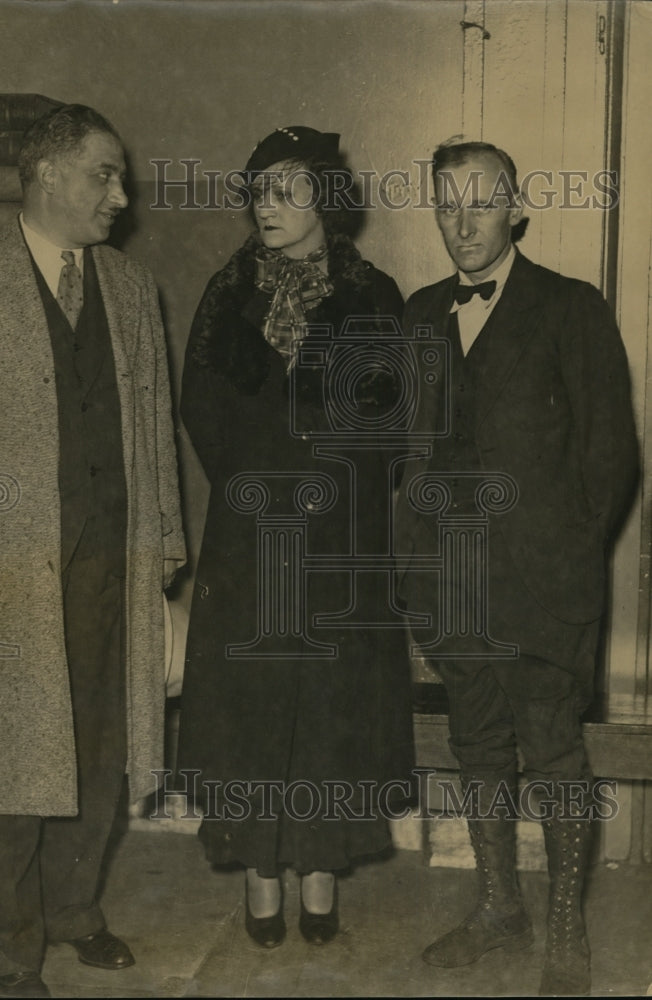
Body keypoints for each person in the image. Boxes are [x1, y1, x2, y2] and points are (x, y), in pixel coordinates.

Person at [0, 104, 185, 999]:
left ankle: (74, 912)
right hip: (3, 576)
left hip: (111, 570)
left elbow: (153, 434)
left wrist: (164, 557)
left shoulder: (132, 290)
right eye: (105, 174)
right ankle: (10, 955)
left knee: (100, 757)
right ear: (50, 173)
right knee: (6, 773)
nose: (121, 194)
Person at [394, 139, 638, 996]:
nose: (463, 223)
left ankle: (565, 926)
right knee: (479, 747)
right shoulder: (420, 315)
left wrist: (568, 552)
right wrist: (415, 570)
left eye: (481, 203)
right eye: (447, 205)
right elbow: (404, 457)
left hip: (544, 589)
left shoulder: (573, 308)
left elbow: (612, 457)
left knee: (555, 753)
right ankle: (500, 908)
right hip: (451, 590)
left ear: (516, 210)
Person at [176, 126, 415, 949]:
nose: (267, 206)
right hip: (250, 538)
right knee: (252, 709)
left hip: (342, 537)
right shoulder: (226, 291)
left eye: (288, 189)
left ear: (327, 201)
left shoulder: (371, 292)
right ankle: (259, 872)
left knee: (329, 711)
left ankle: (320, 869)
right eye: (258, 190)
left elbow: (393, 416)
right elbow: (199, 406)